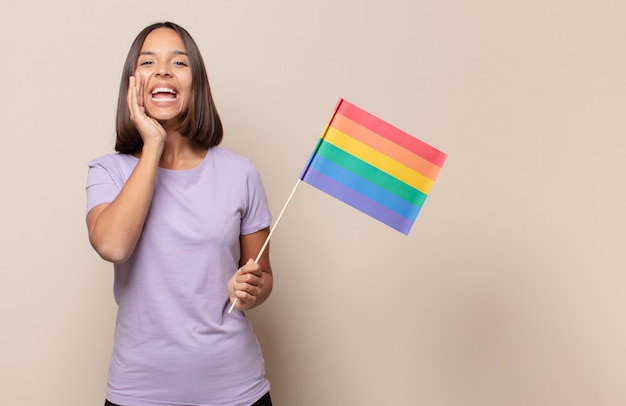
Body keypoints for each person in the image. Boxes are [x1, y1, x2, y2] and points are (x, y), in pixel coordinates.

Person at [85, 21, 274, 406]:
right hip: (139, 391)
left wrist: (254, 290)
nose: (164, 70)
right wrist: (153, 143)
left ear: (196, 83)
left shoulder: (241, 173)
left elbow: (263, 275)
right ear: (133, 83)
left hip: (235, 389)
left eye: (179, 62)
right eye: (148, 61)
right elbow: (113, 245)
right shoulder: (108, 171)